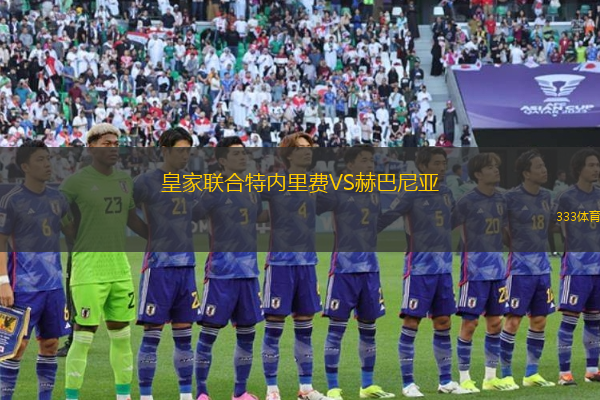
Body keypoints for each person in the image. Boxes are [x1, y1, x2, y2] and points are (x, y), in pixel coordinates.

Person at [61, 123, 148, 400]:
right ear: (91, 147)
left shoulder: (124, 180)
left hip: (119, 269)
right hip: (88, 269)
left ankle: (123, 396)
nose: (113, 148)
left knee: (122, 336)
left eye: (116, 144)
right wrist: (73, 234)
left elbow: (132, 219)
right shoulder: (75, 182)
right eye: (106, 144)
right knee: (83, 336)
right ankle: (72, 397)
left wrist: (157, 237)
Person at [378, 147, 473, 397]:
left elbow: (452, 220)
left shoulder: (446, 192)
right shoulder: (411, 192)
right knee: (412, 321)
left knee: (443, 322)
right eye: (437, 163)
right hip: (419, 268)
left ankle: (446, 381)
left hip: (443, 268)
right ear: (423, 166)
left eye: (444, 163)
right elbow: (388, 216)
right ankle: (408, 383)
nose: (442, 168)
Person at [318, 145, 395, 400]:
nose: (370, 165)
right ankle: (332, 388)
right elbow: (311, 206)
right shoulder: (335, 188)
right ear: (350, 165)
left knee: (369, 328)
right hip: (344, 269)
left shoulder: (373, 189)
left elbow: (376, 222)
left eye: (371, 160)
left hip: (370, 269)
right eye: (364, 160)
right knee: (336, 329)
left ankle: (367, 385)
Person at [261, 133, 332, 400]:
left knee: (305, 327)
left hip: (307, 264)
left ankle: (306, 388)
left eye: (310, 148)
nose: (307, 151)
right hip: (280, 263)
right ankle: (272, 389)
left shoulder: (316, 182)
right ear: (289, 154)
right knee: (274, 327)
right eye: (301, 148)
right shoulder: (273, 181)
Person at [194, 136, 266, 400]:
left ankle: (240, 392)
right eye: (236, 154)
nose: (242, 157)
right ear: (222, 160)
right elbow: (194, 214)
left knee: (247, 335)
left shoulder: (252, 187)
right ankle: (202, 392)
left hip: (249, 272)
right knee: (209, 334)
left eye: (244, 153)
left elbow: (258, 216)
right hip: (221, 271)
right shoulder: (213, 187)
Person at [0, 141, 73, 400]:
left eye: (48, 158)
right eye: (40, 160)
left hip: (53, 287)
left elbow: (72, 232)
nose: (47, 164)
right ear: (25, 166)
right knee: (15, 348)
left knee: (51, 345)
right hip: (22, 287)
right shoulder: (11, 200)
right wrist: (3, 281)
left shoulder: (58, 199)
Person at [133, 128, 199, 400]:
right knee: (152, 335)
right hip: (159, 267)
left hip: (186, 267)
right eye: (180, 150)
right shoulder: (146, 181)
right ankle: (146, 396)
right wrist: (149, 234)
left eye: (188, 151)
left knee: (184, 336)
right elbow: (127, 211)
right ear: (165, 150)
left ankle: (185, 395)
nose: (185, 155)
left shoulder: (191, 181)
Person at [452, 152, 510, 392]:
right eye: (490, 167)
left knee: (495, 323)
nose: (496, 170)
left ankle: (490, 378)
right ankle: (464, 377)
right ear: (477, 174)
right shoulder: (467, 201)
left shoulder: (502, 199)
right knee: (470, 323)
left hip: (498, 270)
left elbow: (505, 232)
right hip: (474, 271)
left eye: (497, 166)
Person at [499, 150, 556, 389]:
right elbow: (501, 228)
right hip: (519, 270)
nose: (544, 170)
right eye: (539, 166)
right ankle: (505, 374)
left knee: (540, 320)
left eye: (544, 166)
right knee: (513, 321)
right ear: (526, 173)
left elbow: (558, 222)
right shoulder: (511, 198)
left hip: (542, 269)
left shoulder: (547, 196)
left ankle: (532, 373)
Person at [555, 148, 600, 385]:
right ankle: (564, 373)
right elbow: (563, 228)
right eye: (591, 165)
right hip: (576, 268)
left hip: (598, 268)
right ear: (579, 168)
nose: (596, 169)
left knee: (594, 320)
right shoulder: (568, 198)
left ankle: (592, 370)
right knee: (569, 320)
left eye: (597, 165)